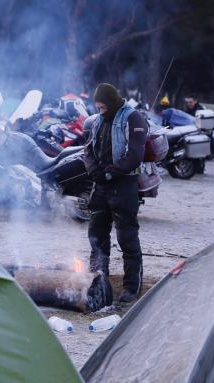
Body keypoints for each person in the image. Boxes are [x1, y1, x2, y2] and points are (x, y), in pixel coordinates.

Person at [84, 83, 148, 304]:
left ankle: (131, 287)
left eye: (102, 107)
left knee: (127, 238)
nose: (100, 111)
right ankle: (98, 283)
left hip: (124, 185)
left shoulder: (133, 118)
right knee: (97, 237)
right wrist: (95, 172)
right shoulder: (98, 121)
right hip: (100, 186)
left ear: (111, 102)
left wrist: (112, 172)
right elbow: (88, 150)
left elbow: (136, 154)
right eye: (98, 108)